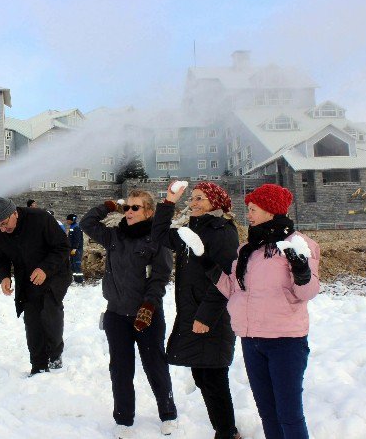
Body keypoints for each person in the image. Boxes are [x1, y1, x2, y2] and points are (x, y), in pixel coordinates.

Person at [215, 184, 320, 439]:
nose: (248, 214)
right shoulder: (247, 250)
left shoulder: (298, 244)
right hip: (252, 341)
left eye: (253, 209)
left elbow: (306, 293)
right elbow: (234, 290)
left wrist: (302, 272)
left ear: (271, 211)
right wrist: (207, 266)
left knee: (289, 414)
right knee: (268, 412)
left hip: (286, 341)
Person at [80, 190, 178, 438]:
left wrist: (149, 306)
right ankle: (124, 418)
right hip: (116, 315)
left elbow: (160, 277)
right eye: (127, 207)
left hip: (147, 315)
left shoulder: (158, 239)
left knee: (155, 365)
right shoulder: (114, 236)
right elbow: (86, 223)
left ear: (149, 212)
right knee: (120, 369)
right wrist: (108, 206)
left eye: (136, 208)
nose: (130, 212)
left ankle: (168, 414)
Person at [152, 181, 241, 439]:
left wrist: (205, 317)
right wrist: (169, 201)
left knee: (213, 378)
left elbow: (227, 278)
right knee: (202, 376)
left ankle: (227, 433)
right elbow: (158, 235)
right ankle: (225, 430)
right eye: (192, 198)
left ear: (215, 203)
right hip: (191, 312)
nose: (193, 202)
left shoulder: (222, 232)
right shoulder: (190, 230)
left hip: (211, 316)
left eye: (200, 198)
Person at [0, 197, 72, 376]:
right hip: (28, 278)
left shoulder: (40, 218)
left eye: (5, 223)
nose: (4, 229)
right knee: (32, 320)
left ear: (14, 213)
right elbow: (1, 258)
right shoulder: (0, 232)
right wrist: (4, 276)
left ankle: (55, 353)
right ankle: (38, 365)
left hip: (54, 274)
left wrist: (45, 269)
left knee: (49, 313)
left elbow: (63, 247)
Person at [66, 214, 84, 284]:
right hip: (72, 249)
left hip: (76, 250)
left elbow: (77, 239)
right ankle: (75, 280)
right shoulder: (72, 227)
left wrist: (75, 248)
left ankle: (80, 281)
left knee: (77, 265)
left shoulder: (76, 227)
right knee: (73, 265)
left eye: (68, 220)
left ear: (71, 220)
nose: (67, 221)